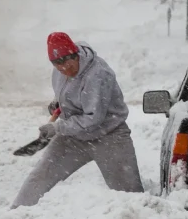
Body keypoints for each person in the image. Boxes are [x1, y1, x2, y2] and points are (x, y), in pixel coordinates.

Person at [11, 32, 144, 208]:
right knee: (41, 176)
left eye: (68, 64)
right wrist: (59, 103)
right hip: (74, 138)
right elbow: (67, 91)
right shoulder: (59, 71)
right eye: (59, 66)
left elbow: (93, 119)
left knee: (131, 197)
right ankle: (15, 214)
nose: (65, 69)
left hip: (110, 137)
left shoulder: (98, 74)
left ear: (75, 55)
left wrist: (57, 128)